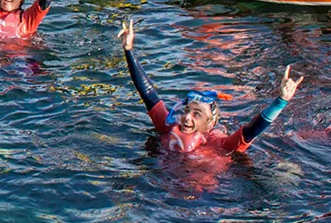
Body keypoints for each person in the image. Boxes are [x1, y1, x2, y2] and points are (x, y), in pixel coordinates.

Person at [119, 17, 302, 189]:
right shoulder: (168, 127)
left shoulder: (219, 145)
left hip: (205, 202)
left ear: (209, 124)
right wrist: (129, 51)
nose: (187, 117)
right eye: (187, 110)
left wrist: (281, 101)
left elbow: (252, 129)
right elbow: (149, 94)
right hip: (162, 189)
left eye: (196, 114)